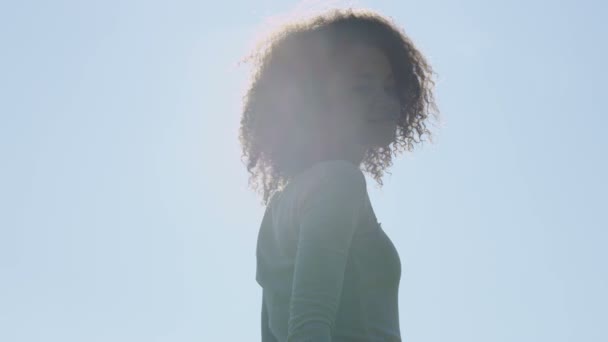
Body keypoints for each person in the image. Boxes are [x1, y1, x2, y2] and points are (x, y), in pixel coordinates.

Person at [239, 7, 438, 342]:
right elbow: (309, 325)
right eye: (362, 88)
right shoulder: (338, 183)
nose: (385, 100)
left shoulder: (279, 207)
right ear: (315, 102)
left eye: (389, 87)